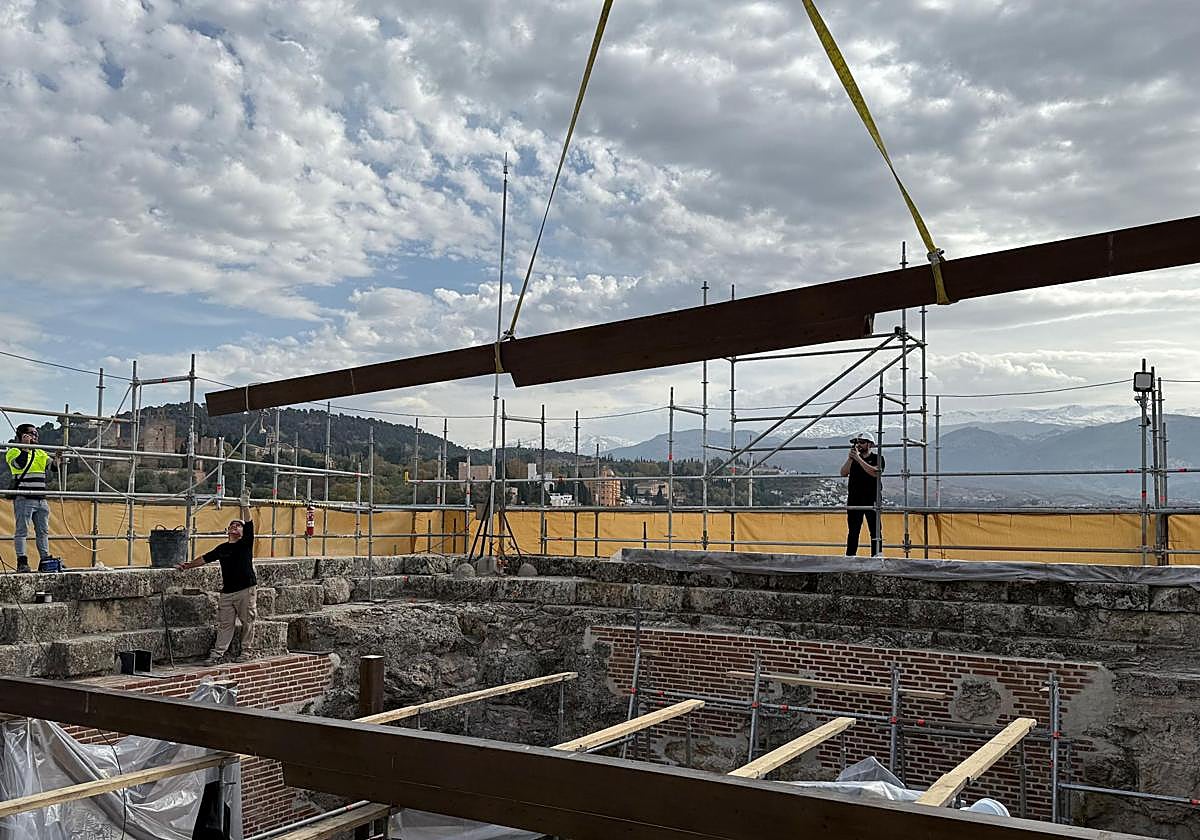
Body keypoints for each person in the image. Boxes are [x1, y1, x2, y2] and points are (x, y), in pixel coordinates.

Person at [177, 492, 257, 664]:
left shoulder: (245, 543)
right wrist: (187, 565)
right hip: (227, 592)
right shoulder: (222, 548)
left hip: (245, 588)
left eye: (238, 525)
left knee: (247, 621)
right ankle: (217, 654)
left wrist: (245, 505)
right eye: (232, 525)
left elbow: (250, 524)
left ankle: (247, 652)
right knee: (225, 624)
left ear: (243, 532)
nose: (235, 526)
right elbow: (205, 558)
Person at [5, 423, 61, 573]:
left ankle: (45, 560)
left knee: (43, 531)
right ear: (22, 436)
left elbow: (53, 468)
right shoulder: (13, 451)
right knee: (22, 531)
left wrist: (57, 459)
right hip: (24, 497)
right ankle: (22, 561)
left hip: (41, 499)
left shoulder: (40, 453)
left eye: (36, 434)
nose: (35, 436)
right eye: (31, 434)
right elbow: (18, 464)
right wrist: (24, 447)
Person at [840, 431, 884, 556]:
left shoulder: (877, 458)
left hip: (872, 499)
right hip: (855, 499)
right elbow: (843, 473)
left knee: (875, 531)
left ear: (870, 445)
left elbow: (876, 472)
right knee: (853, 531)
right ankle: (850, 557)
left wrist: (858, 459)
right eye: (857, 442)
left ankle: (876, 556)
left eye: (862, 442)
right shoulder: (853, 460)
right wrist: (850, 459)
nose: (859, 445)